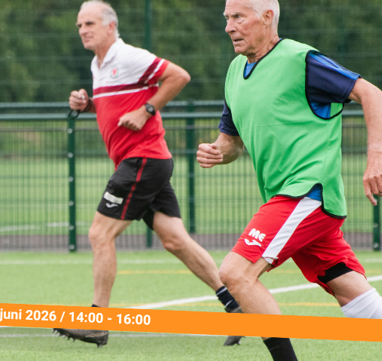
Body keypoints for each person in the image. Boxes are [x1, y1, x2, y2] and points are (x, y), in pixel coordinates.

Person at [196, 1, 382, 360]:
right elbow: (231, 141)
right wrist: (216, 151)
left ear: (267, 17)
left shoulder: (301, 61)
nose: (228, 26)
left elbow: (372, 94)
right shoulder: (235, 71)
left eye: (238, 17)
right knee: (360, 301)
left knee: (235, 273)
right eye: (226, 18)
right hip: (292, 205)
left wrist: (376, 156)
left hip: (306, 194)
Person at [52, 0, 244, 347]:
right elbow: (115, 104)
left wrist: (146, 111)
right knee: (175, 240)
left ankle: (98, 322)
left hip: (142, 160)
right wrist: (88, 104)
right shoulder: (99, 65)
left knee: (99, 234)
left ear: (111, 26)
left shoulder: (129, 56)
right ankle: (237, 304)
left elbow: (179, 76)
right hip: (145, 162)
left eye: (90, 23)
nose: (83, 30)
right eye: (80, 25)